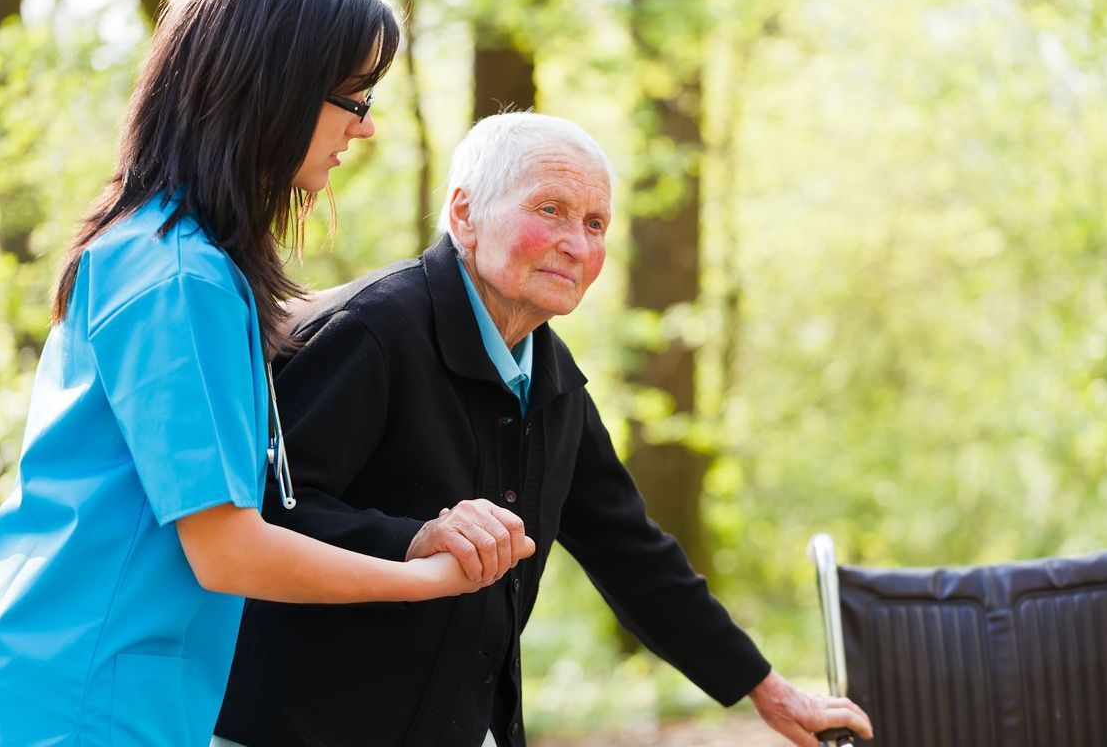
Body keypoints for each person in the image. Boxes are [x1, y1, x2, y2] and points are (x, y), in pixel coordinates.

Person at [0, 0, 527, 745]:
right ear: (275, 89)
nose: (365, 127)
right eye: (355, 97)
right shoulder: (177, 276)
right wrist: (422, 579)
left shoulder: (176, 257)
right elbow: (226, 550)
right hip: (73, 706)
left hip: (93, 693)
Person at [214, 112, 873, 747]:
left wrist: (768, 691)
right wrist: (414, 539)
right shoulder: (373, 332)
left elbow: (632, 553)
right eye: (550, 210)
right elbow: (260, 516)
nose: (578, 243)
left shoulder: (553, 377)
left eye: (595, 223)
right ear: (465, 214)